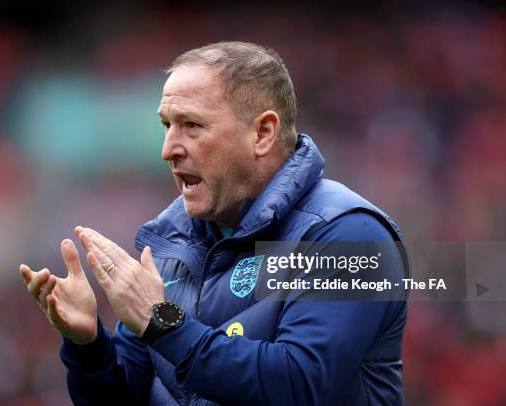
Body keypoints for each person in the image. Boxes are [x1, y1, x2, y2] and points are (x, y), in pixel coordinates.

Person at [20, 41, 408, 405]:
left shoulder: (349, 235)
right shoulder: (173, 245)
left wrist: (162, 324)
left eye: (191, 125)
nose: (167, 149)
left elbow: (300, 383)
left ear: (262, 133)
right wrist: (88, 347)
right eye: (166, 126)